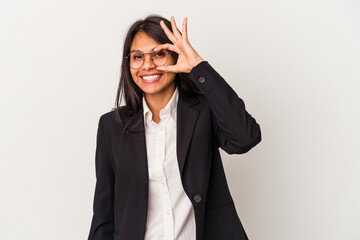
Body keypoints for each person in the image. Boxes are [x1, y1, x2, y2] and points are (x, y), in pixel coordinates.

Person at [88, 15, 261, 240]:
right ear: (128, 63)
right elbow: (103, 215)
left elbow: (246, 137)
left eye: (159, 54)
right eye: (138, 57)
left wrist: (198, 66)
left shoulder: (204, 112)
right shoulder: (112, 127)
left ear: (175, 56)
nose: (147, 64)